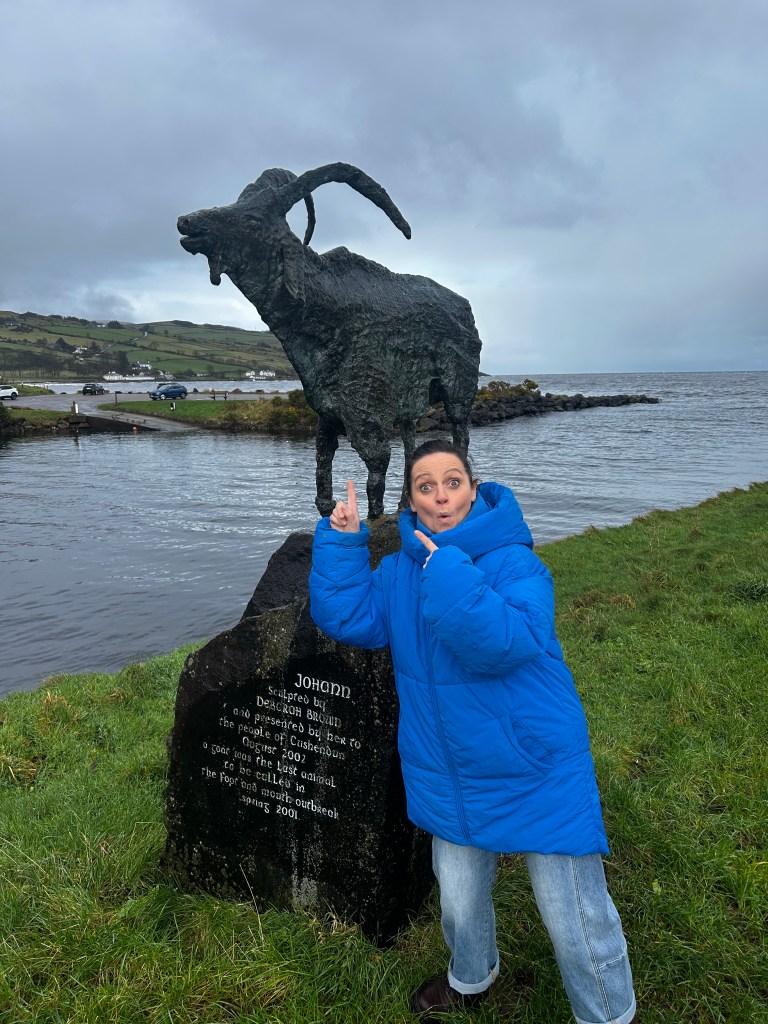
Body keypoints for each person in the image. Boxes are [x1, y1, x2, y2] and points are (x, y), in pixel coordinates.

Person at [309, 439, 637, 1024]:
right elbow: (349, 616)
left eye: (453, 481)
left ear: (474, 487)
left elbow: (501, 644)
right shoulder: (402, 569)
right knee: (458, 901)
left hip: (533, 763)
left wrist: (448, 566)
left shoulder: (515, 561)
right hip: (449, 766)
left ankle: (609, 1014)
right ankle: (470, 977)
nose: (441, 497)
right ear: (410, 499)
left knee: (576, 920)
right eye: (425, 485)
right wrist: (344, 540)